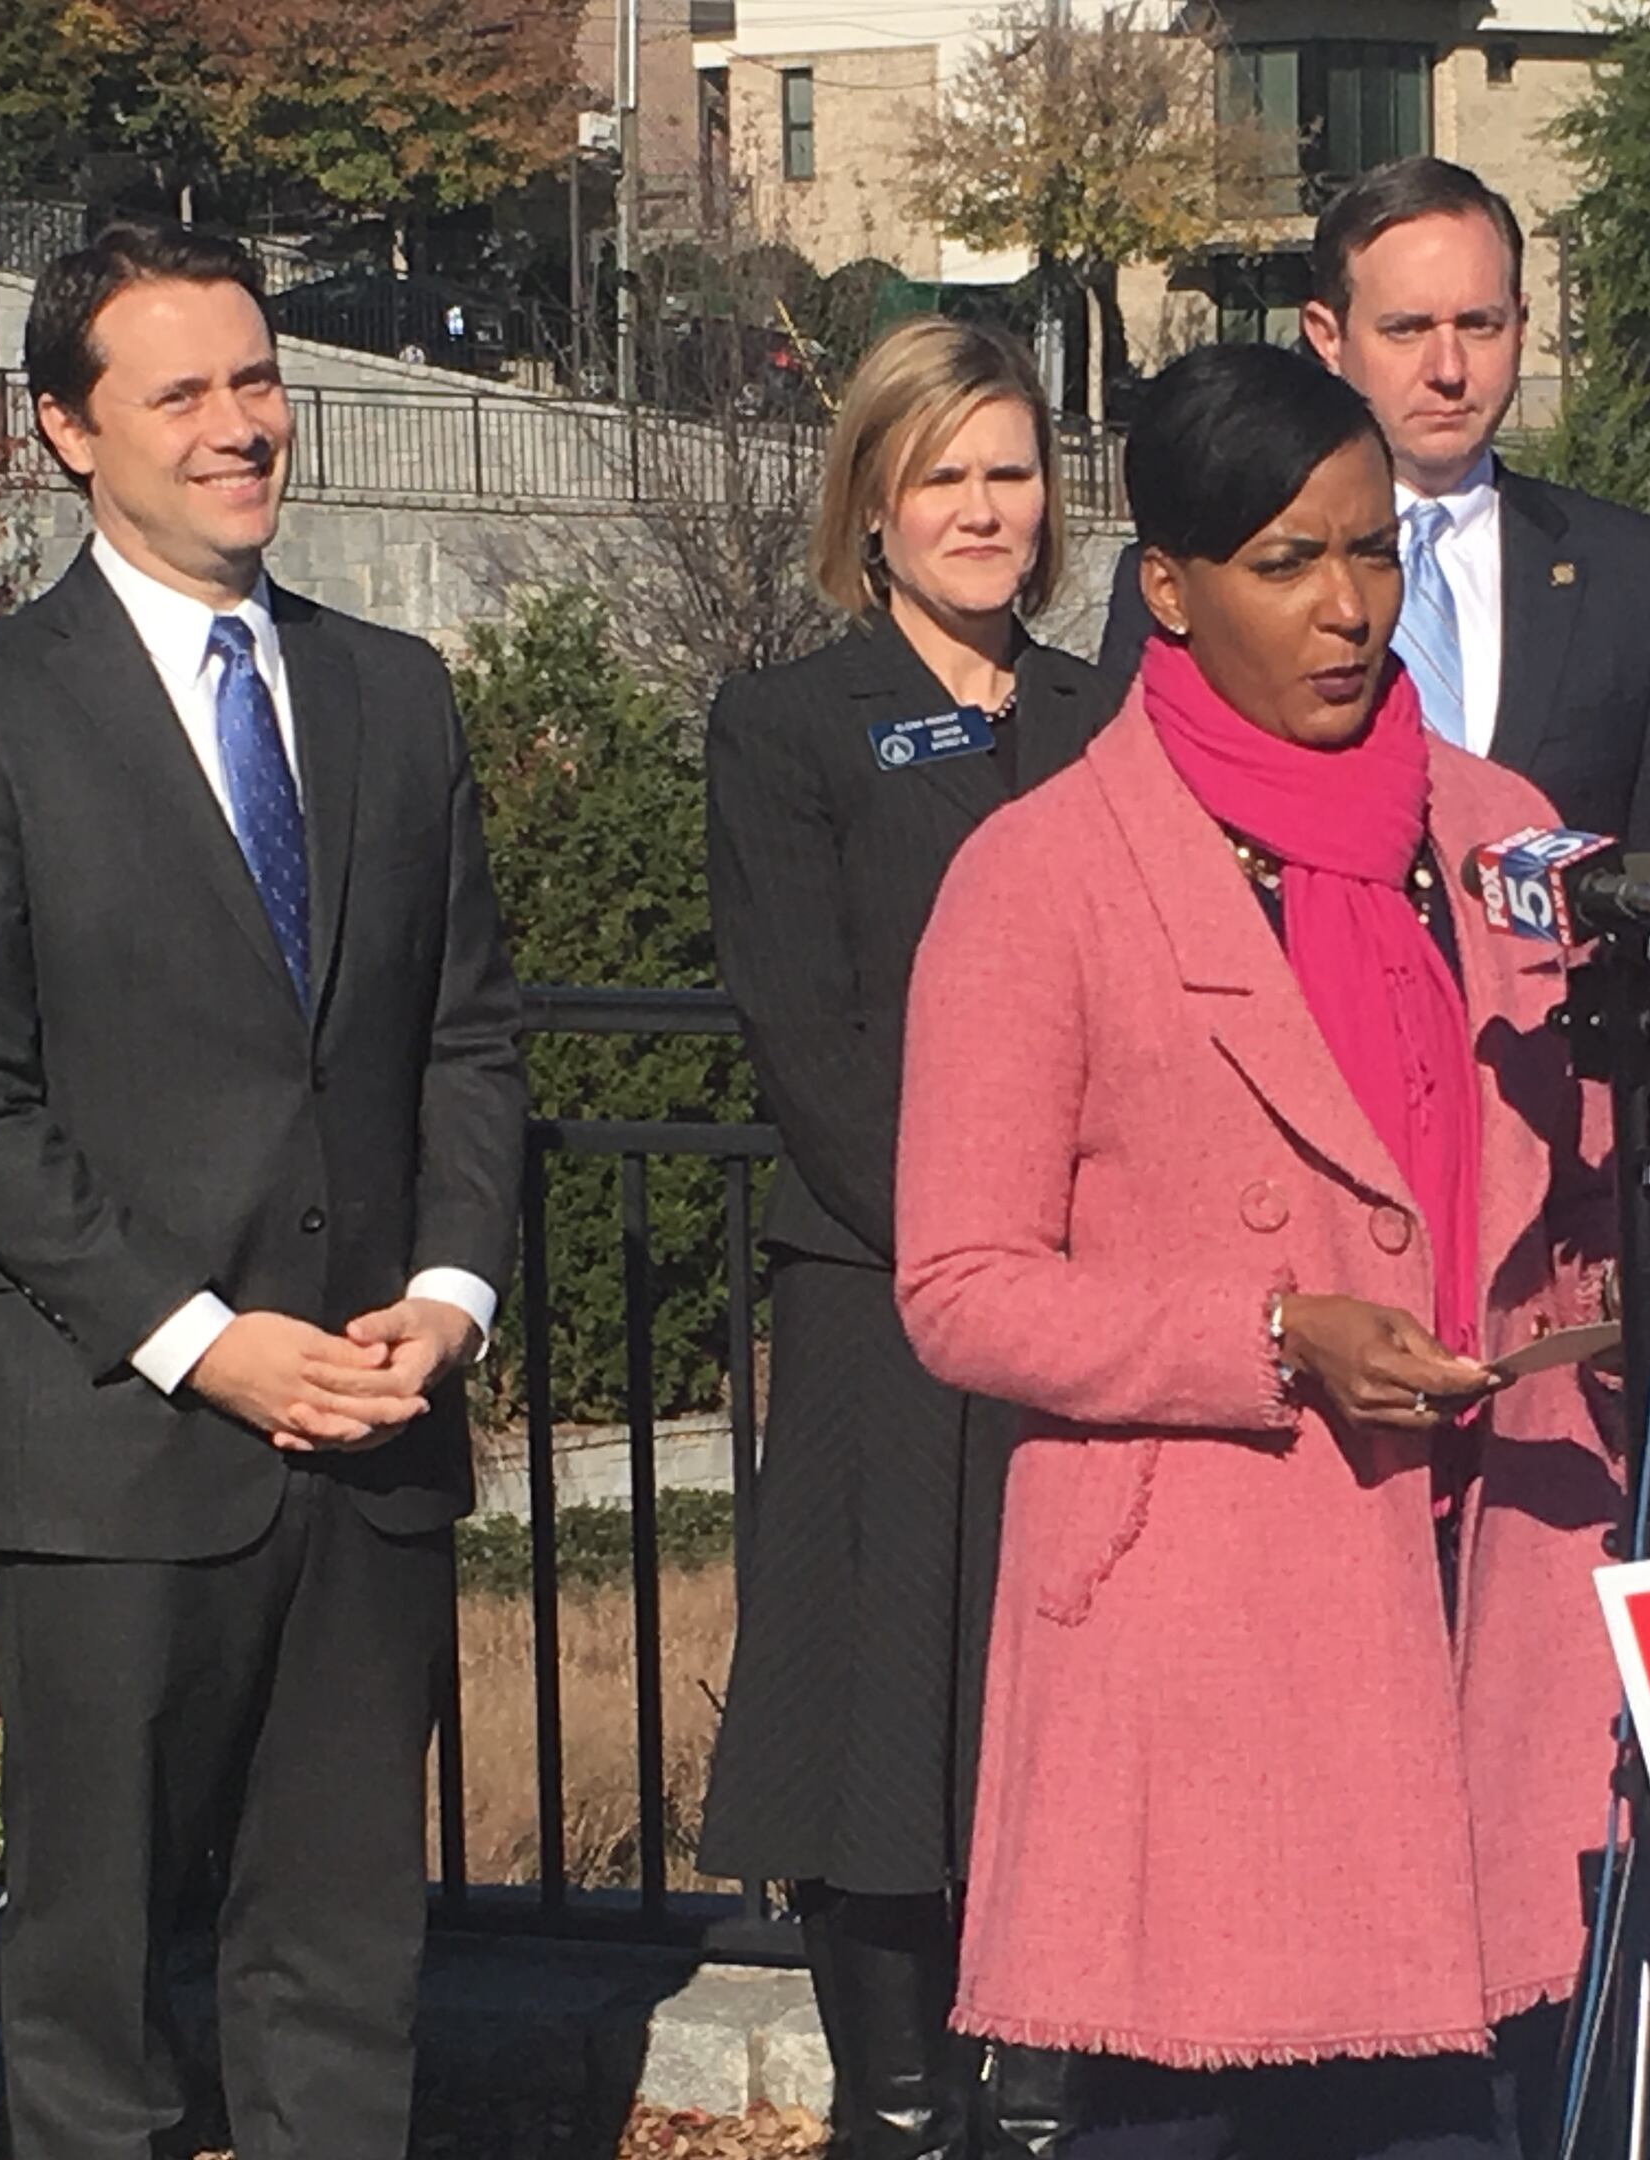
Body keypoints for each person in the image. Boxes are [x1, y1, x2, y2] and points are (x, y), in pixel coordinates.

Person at [896, 342, 1631, 2157]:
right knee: (1193, 2108)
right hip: (1209, 1603)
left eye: (1375, 555)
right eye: (1287, 563)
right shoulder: (1044, 872)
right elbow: (960, 1284)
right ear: (1169, 587)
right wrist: (1273, 1332)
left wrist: (1632, 1302)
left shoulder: (1495, 829)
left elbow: (1573, 1177)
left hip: (1489, 1571)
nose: (1349, 608)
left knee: (1457, 2106)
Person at [0, 215, 528, 2160]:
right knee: (97, 1997)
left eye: (258, 377)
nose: (241, 424)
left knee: (341, 1975)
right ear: (71, 432)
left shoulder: (396, 696)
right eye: (186, 392)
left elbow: (466, 1036)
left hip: (378, 1434)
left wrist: (455, 1290)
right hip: (127, 1459)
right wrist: (204, 1343)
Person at [692, 316, 1105, 2160]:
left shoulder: (1122, 713)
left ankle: (1050, 2085)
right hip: (893, 1298)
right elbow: (812, 1035)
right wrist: (980, 1253)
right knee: (884, 1723)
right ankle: (901, 2099)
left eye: (1009, 472)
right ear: (870, 502)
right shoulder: (791, 724)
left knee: (1065, 1713)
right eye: (941, 474)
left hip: (1100, 1308)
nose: (982, 510)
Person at [1098, 157, 1650, 914]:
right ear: (1326, 336)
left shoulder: (1634, 578)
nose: (1448, 369)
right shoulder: (1210, 579)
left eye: (1479, 325)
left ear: (1522, 326)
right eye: (1406, 330)